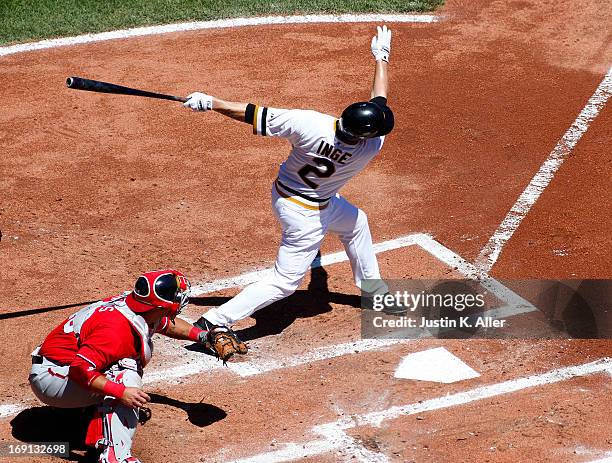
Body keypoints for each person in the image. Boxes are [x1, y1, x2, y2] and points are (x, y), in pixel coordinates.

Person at [183, 25, 397, 333]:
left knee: (356, 223)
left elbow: (250, 113)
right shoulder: (371, 147)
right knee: (284, 283)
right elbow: (380, 98)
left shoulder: (308, 124)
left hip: (293, 196)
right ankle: (214, 320)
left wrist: (210, 102)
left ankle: (375, 294)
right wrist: (382, 57)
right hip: (305, 215)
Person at [29, 269, 207, 463]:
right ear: (160, 305)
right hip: (53, 379)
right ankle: (115, 457)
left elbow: (163, 323)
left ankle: (79, 415)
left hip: (57, 367)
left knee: (118, 366)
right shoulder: (116, 330)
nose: (180, 299)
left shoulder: (135, 306)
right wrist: (121, 392)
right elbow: (80, 369)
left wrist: (203, 336)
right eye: (175, 297)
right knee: (126, 369)